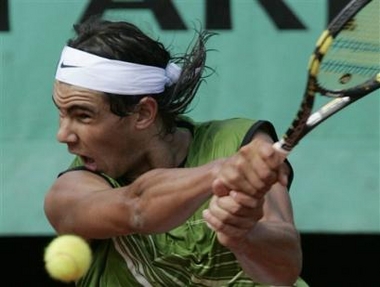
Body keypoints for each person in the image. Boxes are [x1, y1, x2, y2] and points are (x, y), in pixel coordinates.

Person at [44, 16, 309, 287]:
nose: (63, 135)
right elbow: (137, 207)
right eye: (62, 114)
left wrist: (246, 235)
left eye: (83, 116)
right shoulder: (69, 194)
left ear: (143, 113)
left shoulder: (239, 142)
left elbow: (284, 272)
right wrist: (220, 171)